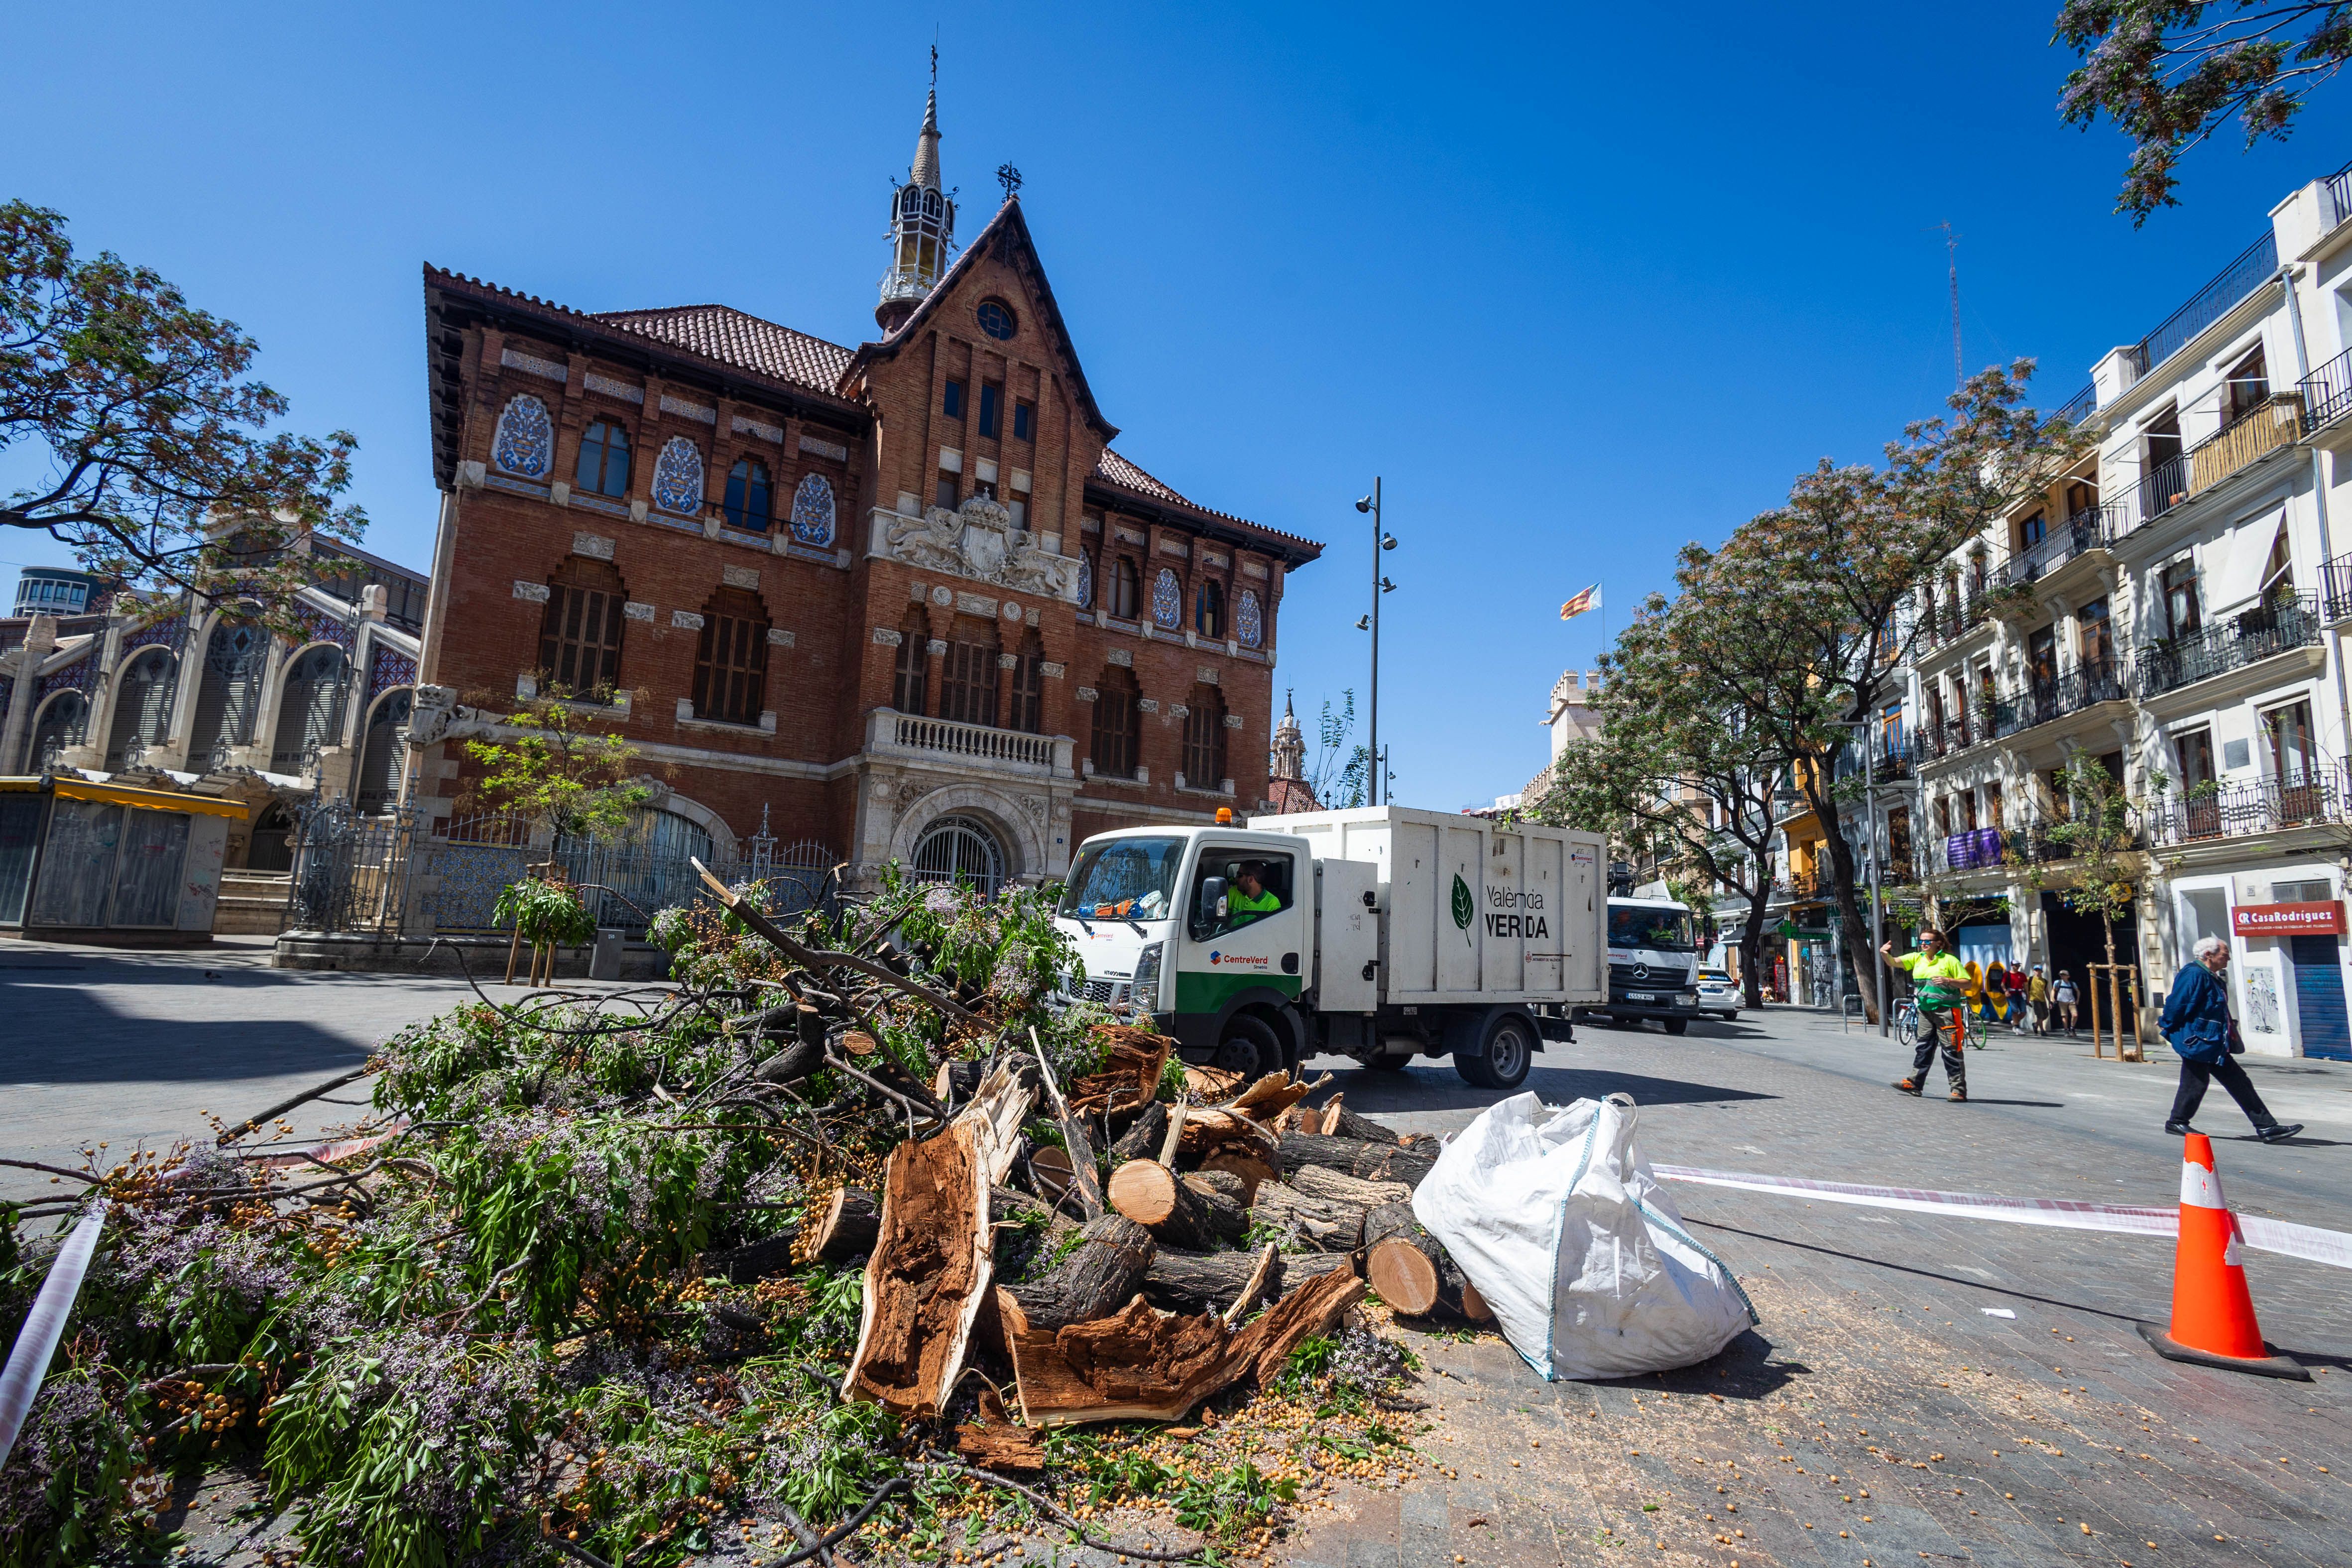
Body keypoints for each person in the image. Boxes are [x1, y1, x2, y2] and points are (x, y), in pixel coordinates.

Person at [2159, 938, 2303, 1141]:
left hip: (2214, 1042)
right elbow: (2178, 1002)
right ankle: (2176, 1122)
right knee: (2195, 1084)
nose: (2228, 958)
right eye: (2225, 954)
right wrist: (2166, 1022)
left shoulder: (2211, 976)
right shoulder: (2194, 974)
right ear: (2209, 955)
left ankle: (2267, 1127)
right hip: (2198, 1041)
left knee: (2239, 1082)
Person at [1882, 928, 1970, 1101]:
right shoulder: (1917, 958)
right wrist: (1885, 953)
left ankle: (1958, 1090)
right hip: (1925, 1010)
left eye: (1927, 941)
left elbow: (1968, 984)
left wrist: (1949, 981)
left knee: (1951, 1051)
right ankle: (1914, 1084)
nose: (1923, 944)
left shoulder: (1949, 961)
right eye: (1921, 940)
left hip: (1947, 1011)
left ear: (1939, 943)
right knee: (1923, 1048)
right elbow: (1893, 962)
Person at [1227, 860, 1282, 927]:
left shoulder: (1272, 903)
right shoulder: (1234, 891)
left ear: (1250, 879)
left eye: (1239, 876)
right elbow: (1221, 914)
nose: (1236, 879)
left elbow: (1270, 930)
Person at [2027, 965, 2051, 1036]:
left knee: (2046, 1015)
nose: (2037, 972)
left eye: (2039, 970)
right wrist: (2027, 999)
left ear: (2042, 971)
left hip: (2042, 1000)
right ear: (2034, 971)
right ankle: (2042, 1031)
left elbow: (2046, 992)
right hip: (2034, 999)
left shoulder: (2045, 981)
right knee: (2040, 1015)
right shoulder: (2030, 979)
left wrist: (2050, 1001)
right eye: (2036, 970)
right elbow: (2026, 989)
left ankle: (2036, 1024)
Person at [2053, 969, 2079, 1035]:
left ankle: (2072, 1028)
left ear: (2068, 976)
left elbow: (2078, 991)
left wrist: (2078, 1000)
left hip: (2071, 1001)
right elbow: (2053, 990)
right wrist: (2053, 998)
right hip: (2062, 1001)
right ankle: (2066, 1030)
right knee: (2065, 1016)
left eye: (2064, 975)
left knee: (2075, 1015)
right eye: (2061, 975)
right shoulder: (2057, 982)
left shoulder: (2072, 983)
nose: (2062, 976)